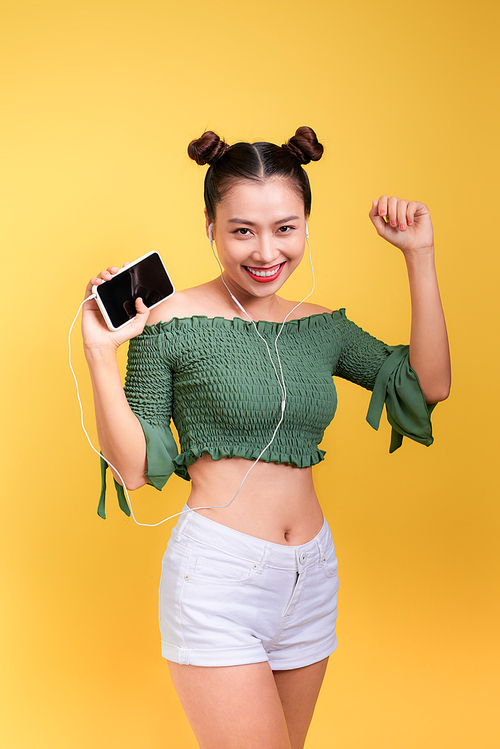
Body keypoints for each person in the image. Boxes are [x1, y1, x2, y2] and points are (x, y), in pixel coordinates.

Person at [82, 126, 450, 749]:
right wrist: (99, 353)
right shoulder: (168, 322)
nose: (265, 251)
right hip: (219, 577)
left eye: (286, 228)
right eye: (242, 230)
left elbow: (429, 384)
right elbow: (134, 469)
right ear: (210, 226)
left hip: (311, 574)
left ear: (306, 224)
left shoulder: (320, 328)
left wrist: (420, 253)